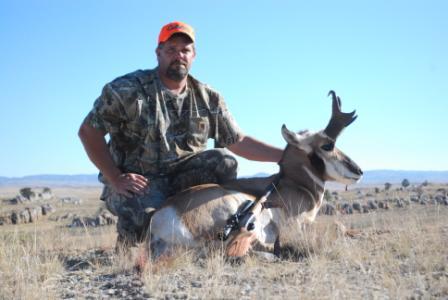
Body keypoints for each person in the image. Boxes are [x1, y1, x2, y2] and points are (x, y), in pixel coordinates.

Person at [78, 21, 283, 250]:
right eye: (171, 50)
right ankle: (131, 241)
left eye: (185, 50)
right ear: (158, 53)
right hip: (139, 182)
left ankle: (210, 230)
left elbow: (238, 141)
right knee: (149, 225)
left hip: (183, 181)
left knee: (223, 161)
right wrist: (115, 177)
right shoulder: (127, 89)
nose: (178, 56)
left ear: (193, 55)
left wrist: (287, 156)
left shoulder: (208, 97)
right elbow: (88, 131)